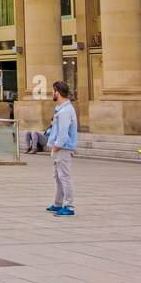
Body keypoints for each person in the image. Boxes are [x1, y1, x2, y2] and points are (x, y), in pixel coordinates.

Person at [45, 80, 79, 216]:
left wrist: (56, 147)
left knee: (64, 177)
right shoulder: (62, 110)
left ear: (57, 92)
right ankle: (58, 203)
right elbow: (58, 129)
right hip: (61, 147)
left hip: (63, 149)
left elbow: (63, 134)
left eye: (53, 91)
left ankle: (69, 206)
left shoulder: (65, 111)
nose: (52, 94)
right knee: (58, 177)